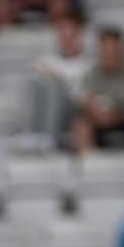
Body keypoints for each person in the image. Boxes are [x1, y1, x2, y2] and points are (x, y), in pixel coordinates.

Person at [20, 9, 91, 153]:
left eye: (70, 36)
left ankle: (48, 137)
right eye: (62, 35)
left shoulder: (87, 65)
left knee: (54, 85)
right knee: (33, 82)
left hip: (72, 112)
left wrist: (58, 80)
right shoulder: (47, 60)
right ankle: (31, 134)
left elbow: (82, 97)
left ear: (78, 36)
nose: (66, 40)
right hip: (47, 108)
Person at [73, 27, 124, 153]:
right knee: (81, 125)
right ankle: (89, 166)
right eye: (105, 50)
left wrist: (120, 112)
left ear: (122, 49)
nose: (109, 54)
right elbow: (84, 102)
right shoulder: (91, 73)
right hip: (98, 120)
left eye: (113, 49)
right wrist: (97, 113)